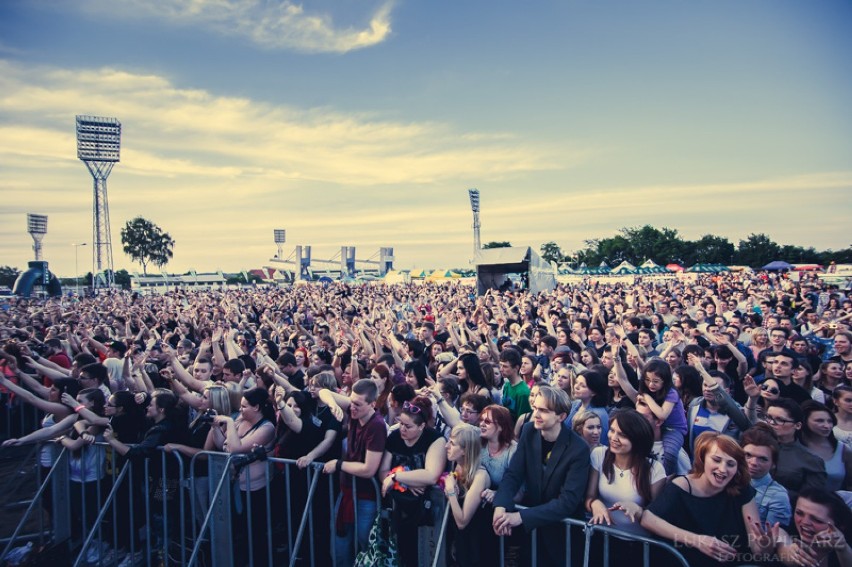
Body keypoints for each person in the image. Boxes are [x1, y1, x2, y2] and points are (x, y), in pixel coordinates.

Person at [641, 431, 773, 567]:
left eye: (730, 464)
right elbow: (648, 519)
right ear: (703, 458)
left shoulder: (741, 489)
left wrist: (764, 547)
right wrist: (698, 540)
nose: (722, 469)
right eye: (716, 460)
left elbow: (758, 550)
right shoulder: (681, 487)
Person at [492, 386, 590, 565]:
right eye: (535, 408)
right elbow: (513, 474)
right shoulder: (529, 431)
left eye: (544, 410)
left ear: (561, 416)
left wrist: (521, 516)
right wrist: (501, 505)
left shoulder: (578, 449)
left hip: (562, 536)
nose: (536, 414)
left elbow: (568, 501)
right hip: (532, 534)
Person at [322, 379, 387, 567]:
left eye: (358, 404)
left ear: (372, 404)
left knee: (365, 547)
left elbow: (369, 469)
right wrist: (333, 404)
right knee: (340, 547)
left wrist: (339, 464)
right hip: (347, 492)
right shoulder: (353, 410)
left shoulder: (376, 426)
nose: (352, 407)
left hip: (366, 498)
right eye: (351, 401)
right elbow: (323, 393)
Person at [208, 387, 276, 567]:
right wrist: (216, 426)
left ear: (257, 407)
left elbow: (236, 448)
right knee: (239, 531)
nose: (241, 409)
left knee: (255, 533)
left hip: (257, 489)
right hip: (235, 484)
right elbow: (222, 444)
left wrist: (229, 423)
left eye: (245, 406)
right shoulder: (239, 420)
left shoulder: (267, 427)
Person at [379, 395, 446, 567]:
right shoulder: (394, 437)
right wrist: (405, 483)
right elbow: (382, 471)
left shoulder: (434, 439)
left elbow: (431, 475)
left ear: (422, 426)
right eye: (400, 423)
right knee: (403, 554)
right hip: (399, 506)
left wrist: (396, 478)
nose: (402, 429)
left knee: (426, 556)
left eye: (408, 426)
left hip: (428, 509)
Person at [585, 409, 666, 533]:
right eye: (612, 430)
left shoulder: (654, 469)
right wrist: (594, 503)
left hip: (637, 543)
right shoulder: (599, 455)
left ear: (638, 439)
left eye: (622, 435)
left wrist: (639, 510)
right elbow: (589, 496)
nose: (614, 438)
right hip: (603, 536)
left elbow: (658, 516)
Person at [763, 488, 852, 567]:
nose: (805, 522)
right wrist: (791, 553)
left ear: (840, 526)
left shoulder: (846, 541)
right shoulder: (786, 529)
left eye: (817, 520)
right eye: (799, 513)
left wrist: (843, 549)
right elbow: (782, 542)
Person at [444, 423, 491, 566]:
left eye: (452, 443)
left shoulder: (479, 476)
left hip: (475, 546)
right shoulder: (455, 465)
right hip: (457, 542)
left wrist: (451, 491)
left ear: (465, 450)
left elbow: (462, 522)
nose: (447, 446)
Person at [764, 398, 828, 501]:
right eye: (768, 417)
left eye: (780, 420)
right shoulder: (752, 446)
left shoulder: (811, 461)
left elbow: (812, 500)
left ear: (797, 425)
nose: (771, 423)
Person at [740, 424, 792, 527]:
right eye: (748, 455)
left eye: (762, 459)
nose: (754, 462)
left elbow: (771, 539)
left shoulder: (778, 496)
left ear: (773, 464)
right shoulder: (725, 479)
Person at [799, 401, 852, 493]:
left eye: (830, 421)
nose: (827, 426)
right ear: (804, 421)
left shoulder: (843, 450)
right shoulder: (794, 445)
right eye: (819, 421)